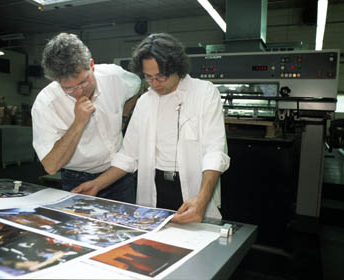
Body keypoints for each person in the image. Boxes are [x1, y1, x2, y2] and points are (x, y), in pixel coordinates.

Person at [72, 33, 230, 223]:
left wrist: (202, 200)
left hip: (195, 192)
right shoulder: (145, 102)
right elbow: (129, 156)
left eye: (161, 77)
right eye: (149, 77)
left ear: (177, 68)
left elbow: (214, 152)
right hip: (154, 190)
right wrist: (97, 184)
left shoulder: (204, 93)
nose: (155, 84)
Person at [31, 33, 141, 204]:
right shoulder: (46, 104)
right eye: (69, 89)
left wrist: (124, 119)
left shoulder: (114, 77)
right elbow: (51, 166)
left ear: (91, 65)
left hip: (120, 174)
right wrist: (79, 123)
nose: (79, 92)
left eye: (83, 82)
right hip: (78, 180)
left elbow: (136, 87)